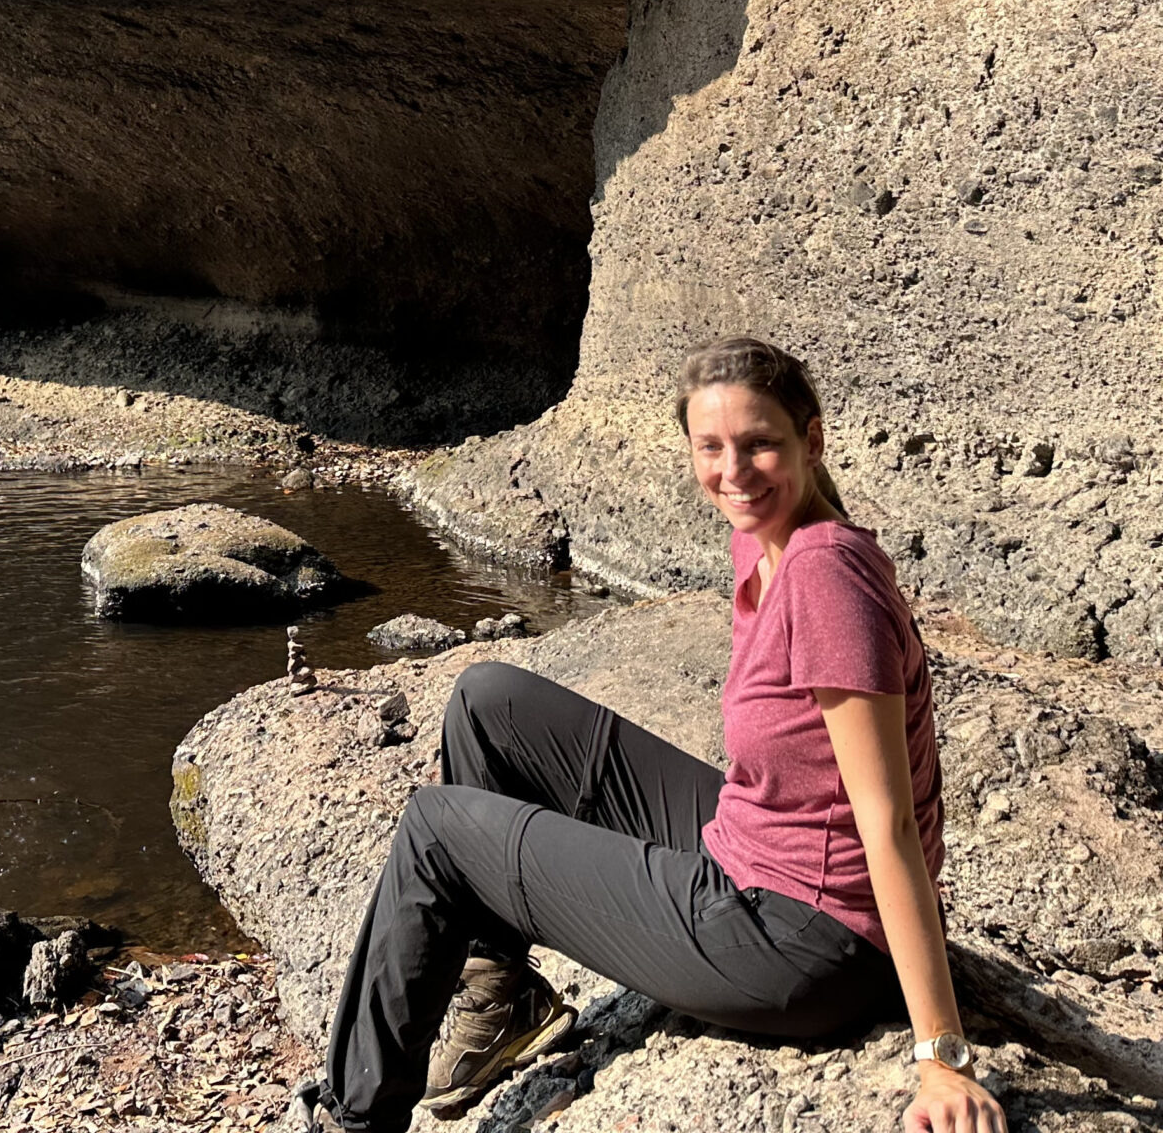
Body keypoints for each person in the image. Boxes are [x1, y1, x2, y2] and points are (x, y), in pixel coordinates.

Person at [300, 336, 1004, 1133]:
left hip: (804, 943)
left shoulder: (826, 577)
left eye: (760, 444)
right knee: (487, 701)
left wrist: (942, 1059)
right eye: (712, 447)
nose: (734, 472)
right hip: (755, 846)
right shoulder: (765, 539)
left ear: (810, 440)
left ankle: (354, 1122)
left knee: (437, 830)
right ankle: (502, 1004)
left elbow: (890, 821)